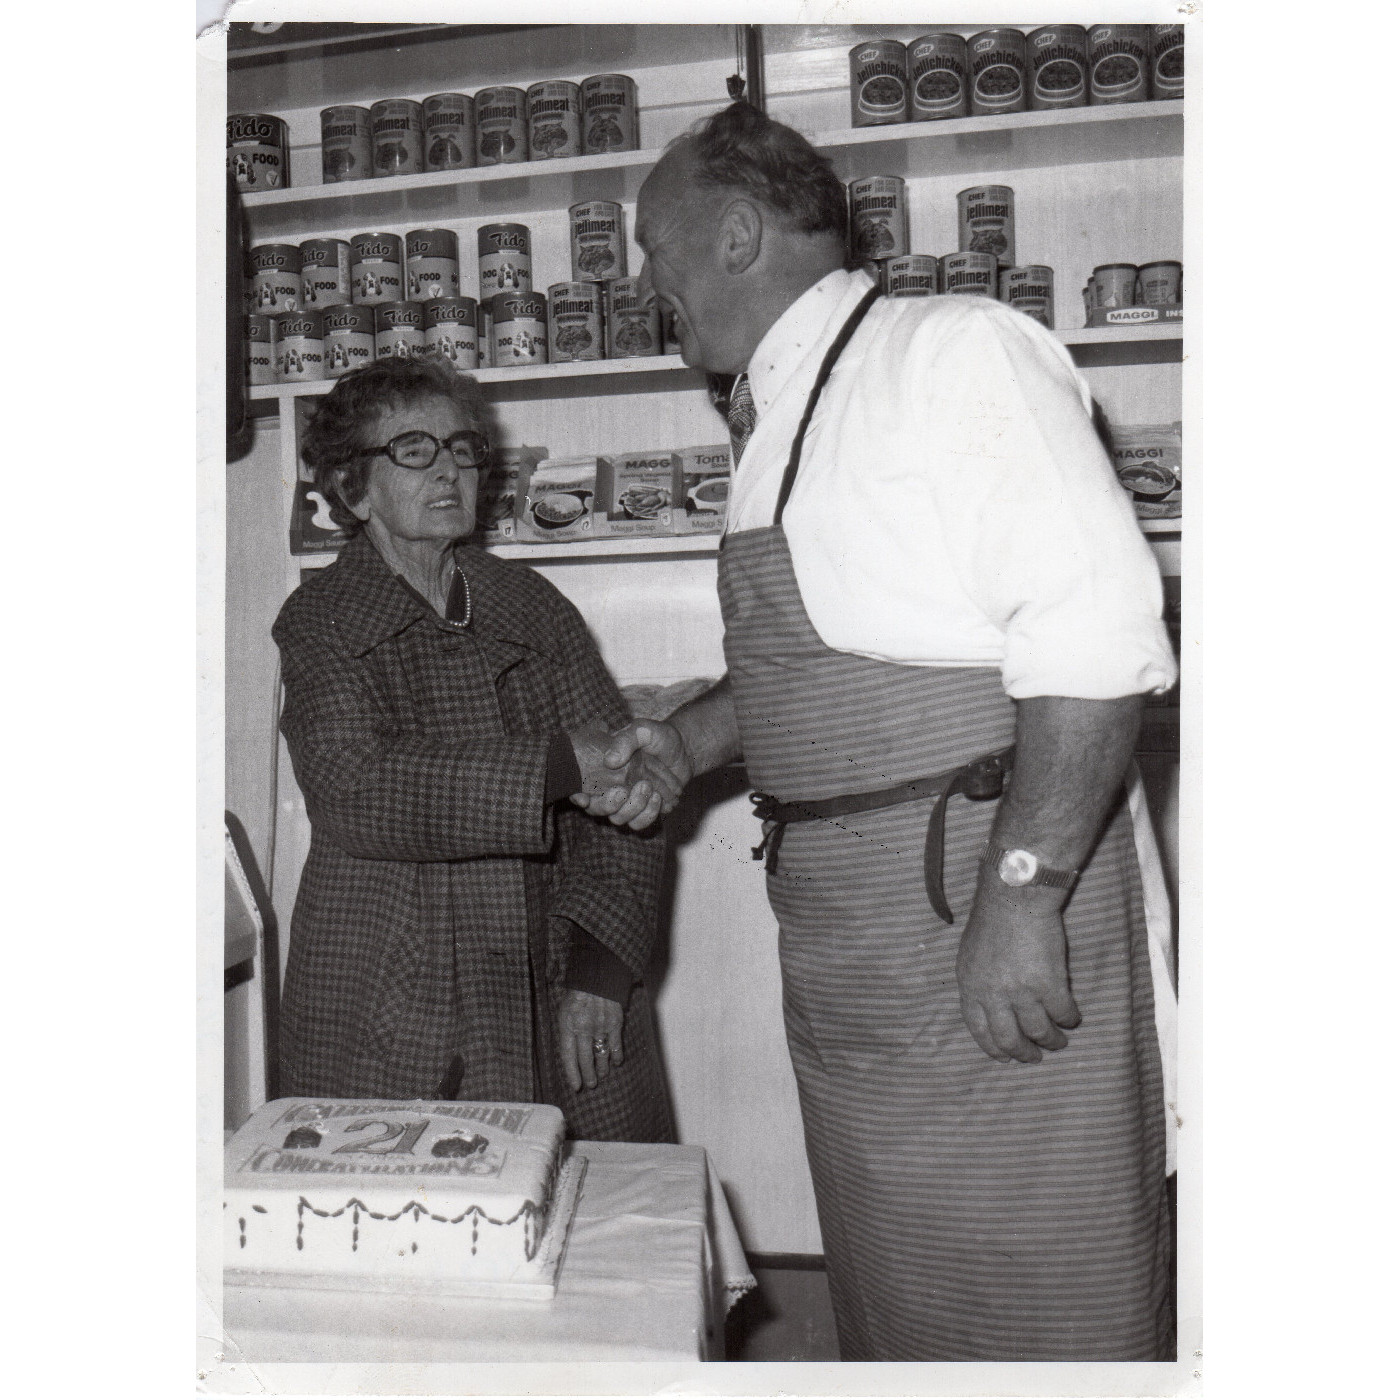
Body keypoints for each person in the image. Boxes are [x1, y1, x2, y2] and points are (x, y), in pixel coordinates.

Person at [580, 102, 1179, 1360]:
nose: (644, 286)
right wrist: (688, 743)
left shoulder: (950, 350)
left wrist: (1022, 896)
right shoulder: (780, 410)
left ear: (735, 231)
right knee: (899, 1313)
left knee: (1042, 1296)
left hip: (983, 931)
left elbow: (1095, 632)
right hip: (852, 966)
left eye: (651, 248)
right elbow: (839, 667)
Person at [272, 356, 676, 1142]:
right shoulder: (318, 620)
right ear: (354, 488)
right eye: (414, 450)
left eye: (462, 449)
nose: (449, 469)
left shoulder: (532, 604)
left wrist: (601, 973)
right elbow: (356, 789)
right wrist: (561, 765)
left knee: (600, 1223)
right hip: (390, 992)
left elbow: (627, 799)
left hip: (555, 973)